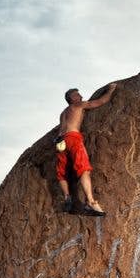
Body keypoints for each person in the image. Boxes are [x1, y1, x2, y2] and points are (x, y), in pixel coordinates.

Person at [56, 83, 118, 215]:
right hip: (73, 138)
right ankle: (90, 202)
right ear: (71, 98)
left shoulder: (63, 114)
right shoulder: (78, 105)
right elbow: (101, 101)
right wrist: (111, 90)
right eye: (77, 94)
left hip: (60, 142)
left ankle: (67, 197)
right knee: (83, 169)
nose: (81, 96)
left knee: (62, 172)